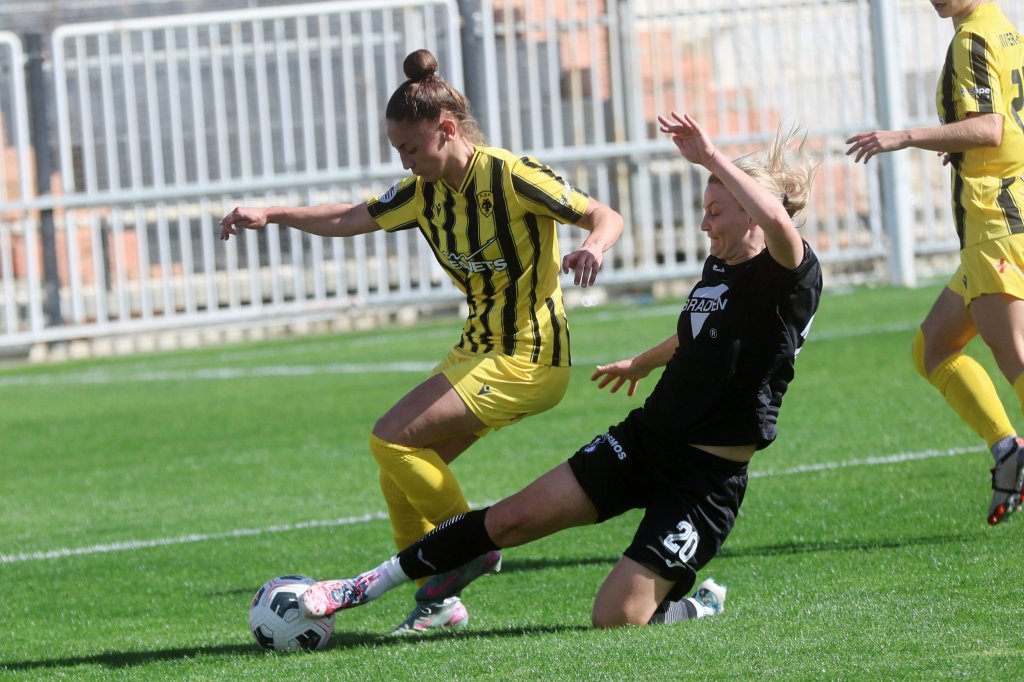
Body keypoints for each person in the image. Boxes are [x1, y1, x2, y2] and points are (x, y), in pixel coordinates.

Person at [296, 111, 822, 629]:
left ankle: (695, 606)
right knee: (509, 519)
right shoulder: (721, 265)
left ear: (752, 215)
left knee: (616, 617)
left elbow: (779, 225)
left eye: (715, 212)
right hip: (647, 440)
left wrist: (709, 156)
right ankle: (357, 588)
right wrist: (642, 363)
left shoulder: (791, 274)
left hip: (707, 479)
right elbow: (700, 334)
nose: (704, 223)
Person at [220, 48, 624, 633]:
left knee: (390, 437)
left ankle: (470, 547)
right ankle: (437, 603)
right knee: (398, 476)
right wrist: (274, 214)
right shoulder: (422, 193)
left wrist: (593, 246)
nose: (406, 162)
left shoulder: (509, 175)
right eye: (398, 151)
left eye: (411, 148)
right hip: (478, 350)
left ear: (447, 129)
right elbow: (349, 218)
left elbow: (603, 214)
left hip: (530, 357)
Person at [845, 0, 1024, 525]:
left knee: (1015, 356)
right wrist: (958, 146)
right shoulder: (1006, 31)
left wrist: (902, 137)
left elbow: (990, 128)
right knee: (934, 347)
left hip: (994, 222)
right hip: (1006, 214)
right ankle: (1008, 450)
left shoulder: (971, 38)